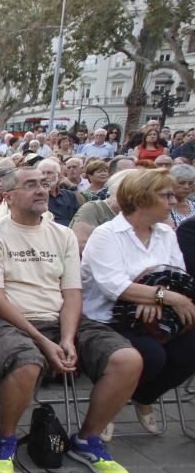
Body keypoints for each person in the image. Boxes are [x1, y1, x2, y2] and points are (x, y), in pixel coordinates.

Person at [0, 164, 143, 473]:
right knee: (28, 361)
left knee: (127, 360)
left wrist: (68, 338)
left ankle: (87, 439)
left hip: (61, 319)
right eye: (30, 184)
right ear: (8, 196)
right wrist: (44, 342)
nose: (41, 189)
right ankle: (5, 442)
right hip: (4, 322)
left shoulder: (62, 235)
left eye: (44, 183)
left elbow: (72, 292)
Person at [82, 169, 195, 438]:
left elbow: (178, 274)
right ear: (142, 198)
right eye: (166, 195)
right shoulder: (107, 234)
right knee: (150, 356)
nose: (172, 200)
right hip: (108, 318)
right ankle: (109, 405)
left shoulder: (166, 234)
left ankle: (142, 396)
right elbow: (113, 285)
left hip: (157, 317)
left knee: (190, 350)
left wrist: (159, 293)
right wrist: (164, 296)